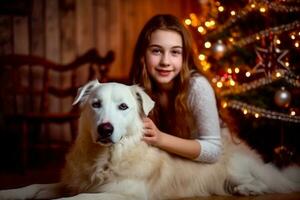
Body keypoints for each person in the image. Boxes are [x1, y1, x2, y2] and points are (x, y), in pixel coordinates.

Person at [129, 14, 221, 163]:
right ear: (143, 55)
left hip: (203, 163)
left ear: (184, 57)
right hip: (167, 162)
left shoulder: (197, 86)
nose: (165, 61)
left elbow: (214, 151)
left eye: (175, 52)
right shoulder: (137, 89)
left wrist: (160, 138)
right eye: (156, 51)